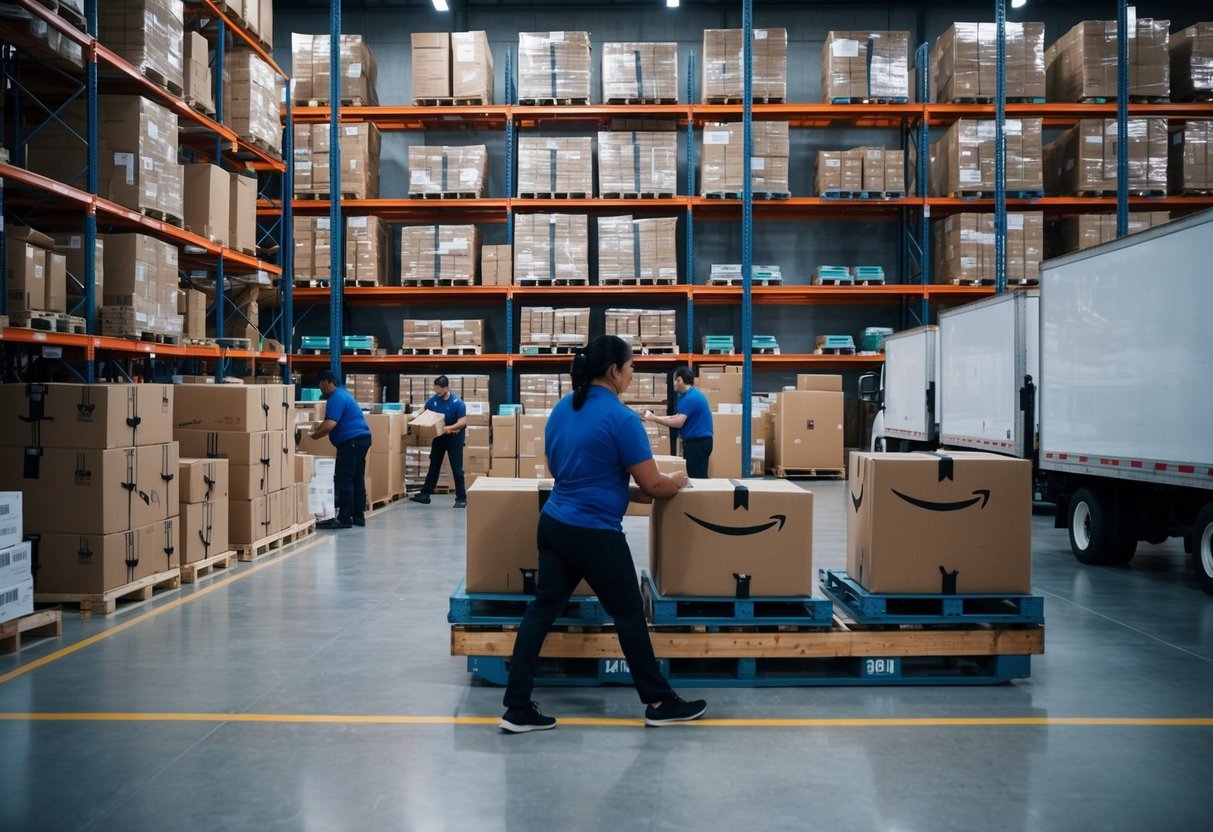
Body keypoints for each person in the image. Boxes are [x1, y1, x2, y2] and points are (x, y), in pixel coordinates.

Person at [499, 335, 708, 733]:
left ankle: (517, 707)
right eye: (631, 367)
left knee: (542, 610)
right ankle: (660, 702)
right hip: (595, 534)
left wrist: (626, 491)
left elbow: (571, 474)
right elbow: (653, 485)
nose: (633, 373)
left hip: (555, 524)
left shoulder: (562, 410)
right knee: (629, 613)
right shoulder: (622, 418)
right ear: (614, 371)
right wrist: (678, 480)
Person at [309, 370, 372, 530]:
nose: (321, 388)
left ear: (328, 382)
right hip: (362, 439)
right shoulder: (345, 394)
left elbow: (330, 424)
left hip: (351, 441)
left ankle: (344, 518)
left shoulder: (336, 397)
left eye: (321, 384)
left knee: (345, 478)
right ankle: (358, 516)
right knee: (357, 478)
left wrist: (314, 435)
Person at [409, 375, 468, 509]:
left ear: (446, 388)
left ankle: (461, 498)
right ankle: (425, 494)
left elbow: (463, 421)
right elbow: (424, 408)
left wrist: (450, 428)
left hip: (454, 438)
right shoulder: (434, 400)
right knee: (434, 465)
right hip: (439, 436)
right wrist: (415, 415)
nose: (437, 391)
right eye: (435, 388)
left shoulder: (457, 403)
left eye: (439, 389)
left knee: (457, 468)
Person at [642, 367, 713, 478]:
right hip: (700, 443)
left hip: (697, 444)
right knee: (698, 475)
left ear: (679, 380)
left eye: (675, 380)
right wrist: (653, 417)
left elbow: (678, 422)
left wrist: (654, 419)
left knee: (698, 478)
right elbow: (676, 417)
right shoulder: (692, 395)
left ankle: (702, 495)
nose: (674, 384)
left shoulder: (690, 398)